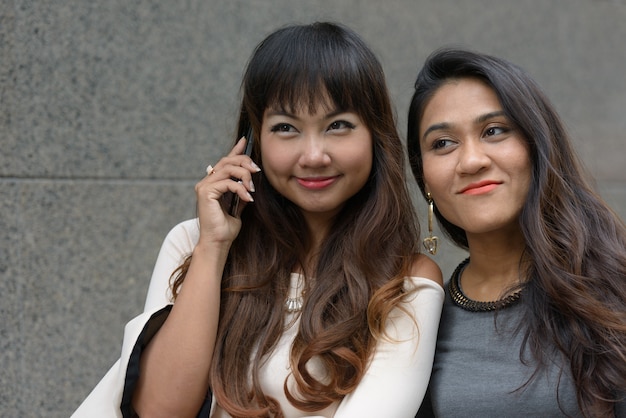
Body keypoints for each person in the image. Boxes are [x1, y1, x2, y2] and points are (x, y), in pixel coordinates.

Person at [73, 22, 444, 418]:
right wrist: (213, 248)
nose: (314, 155)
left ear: (375, 136)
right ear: (253, 141)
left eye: (338, 126)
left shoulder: (405, 282)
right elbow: (159, 411)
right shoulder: (193, 243)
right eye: (286, 128)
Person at [406, 48, 626, 418]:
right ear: (424, 177)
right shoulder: (421, 318)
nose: (472, 160)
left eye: (494, 131)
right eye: (442, 143)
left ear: (537, 147)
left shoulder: (614, 287)